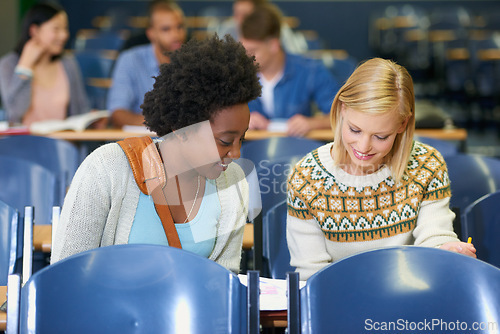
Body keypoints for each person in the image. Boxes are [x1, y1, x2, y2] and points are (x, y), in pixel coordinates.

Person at [51, 35, 262, 273]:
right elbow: (64, 276)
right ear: (182, 129)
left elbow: (224, 281)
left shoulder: (233, 182)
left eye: (241, 138)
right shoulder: (106, 168)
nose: (235, 153)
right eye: (225, 141)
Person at [286, 58, 476, 280]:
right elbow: (311, 274)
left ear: (402, 125)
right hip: (338, 302)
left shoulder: (427, 164)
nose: (364, 147)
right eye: (355, 130)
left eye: (380, 136)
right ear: (342, 110)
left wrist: (448, 250)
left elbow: (434, 238)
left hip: (412, 296)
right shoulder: (306, 177)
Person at [239, 4, 340, 137]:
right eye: (244, 49)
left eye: (253, 51)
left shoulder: (309, 70)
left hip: (297, 150)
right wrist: (242, 120)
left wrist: (311, 123)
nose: (246, 56)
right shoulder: (238, 72)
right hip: (250, 150)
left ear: (273, 45)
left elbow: (342, 114)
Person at [0, 2, 90, 126]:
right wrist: (25, 67)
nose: (64, 35)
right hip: (23, 143)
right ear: (34, 31)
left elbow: (81, 109)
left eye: (65, 29)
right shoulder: (8, 64)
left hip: (63, 143)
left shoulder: (68, 63)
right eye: (56, 29)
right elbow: (16, 111)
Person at [106, 0, 186, 127]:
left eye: (180, 27)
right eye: (166, 29)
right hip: (141, 141)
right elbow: (117, 114)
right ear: (151, 33)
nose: (176, 35)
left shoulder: (192, 61)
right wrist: (164, 125)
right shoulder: (130, 59)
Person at [212, 0, 306, 55]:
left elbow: (295, 56)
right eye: (236, 14)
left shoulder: (278, 28)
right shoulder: (228, 29)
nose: (239, 20)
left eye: (245, 15)